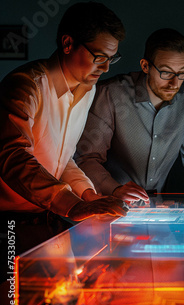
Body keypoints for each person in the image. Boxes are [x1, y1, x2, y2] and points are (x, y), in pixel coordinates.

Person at [0, 2, 127, 235]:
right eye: (99, 56)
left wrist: (87, 195)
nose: (107, 67)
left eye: (112, 58)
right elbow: (12, 156)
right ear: (68, 44)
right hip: (9, 220)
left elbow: (61, 159)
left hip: (47, 215)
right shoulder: (26, 87)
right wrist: (73, 204)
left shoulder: (87, 90)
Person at [75, 28, 184, 205]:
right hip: (109, 204)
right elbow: (87, 159)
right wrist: (115, 189)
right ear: (145, 66)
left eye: (182, 73)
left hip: (158, 207)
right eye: (166, 72)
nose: (174, 83)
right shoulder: (110, 94)